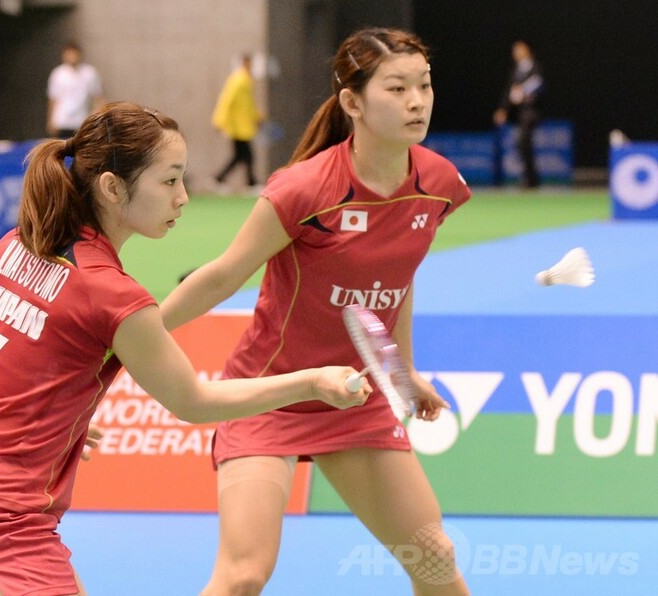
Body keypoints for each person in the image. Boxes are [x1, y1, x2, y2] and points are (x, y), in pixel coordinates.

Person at [0, 101, 370, 596]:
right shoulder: (113, 295)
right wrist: (312, 382)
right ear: (113, 187)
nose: (184, 197)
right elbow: (193, 402)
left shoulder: (14, 245)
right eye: (169, 180)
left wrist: (51, 418)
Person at [161, 28, 472, 595]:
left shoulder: (438, 184)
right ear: (353, 102)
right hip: (268, 395)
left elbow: (397, 279)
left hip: (354, 397)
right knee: (243, 575)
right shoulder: (305, 189)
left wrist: (402, 370)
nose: (417, 102)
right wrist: (132, 336)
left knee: (435, 559)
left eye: (424, 86)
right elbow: (224, 275)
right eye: (397, 88)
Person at [493, 40, 544, 188]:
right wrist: (503, 109)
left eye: (519, 49)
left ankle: (531, 178)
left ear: (527, 50)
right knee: (522, 144)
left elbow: (540, 86)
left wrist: (526, 93)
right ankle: (530, 178)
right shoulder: (515, 69)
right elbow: (509, 91)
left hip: (532, 112)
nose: (515, 53)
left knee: (523, 140)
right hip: (519, 114)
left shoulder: (536, 67)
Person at [212, 53, 262, 192]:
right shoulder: (238, 80)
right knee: (247, 155)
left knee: (240, 156)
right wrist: (220, 120)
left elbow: (248, 104)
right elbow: (226, 101)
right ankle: (250, 183)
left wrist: (256, 117)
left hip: (244, 125)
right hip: (238, 126)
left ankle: (219, 178)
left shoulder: (246, 80)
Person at [46, 42, 105, 139]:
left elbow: (98, 97)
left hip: (81, 122)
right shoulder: (58, 74)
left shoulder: (89, 73)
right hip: (62, 122)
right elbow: (53, 98)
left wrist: (99, 119)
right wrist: (50, 120)